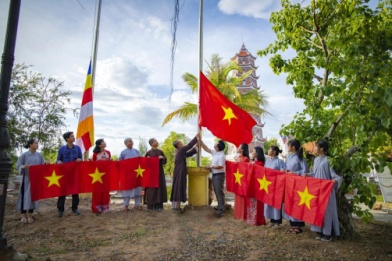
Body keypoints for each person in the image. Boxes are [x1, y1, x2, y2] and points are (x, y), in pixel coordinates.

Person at [308, 140, 342, 242]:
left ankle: (328, 233)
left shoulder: (329, 160)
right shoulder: (316, 160)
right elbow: (314, 173)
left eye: (317, 146)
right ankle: (319, 231)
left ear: (322, 149)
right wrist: (307, 174)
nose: (315, 148)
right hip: (317, 190)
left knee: (327, 211)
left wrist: (335, 180)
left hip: (326, 190)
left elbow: (335, 176)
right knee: (318, 210)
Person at [16, 138, 45, 224]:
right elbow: (18, 165)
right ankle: (23, 214)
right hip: (26, 178)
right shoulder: (24, 155)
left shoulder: (39, 156)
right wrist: (23, 167)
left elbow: (42, 167)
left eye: (37, 143)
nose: (37, 145)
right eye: (35, 143)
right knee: (24, 195)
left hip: (35, 179)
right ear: (30, 145)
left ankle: (30, 214)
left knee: (33, 196)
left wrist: (46, 164)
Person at [170, 133, 200, 212]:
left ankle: (176, 206)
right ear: (179, 145)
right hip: (180, 170)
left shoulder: (179, 151)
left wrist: (195, 147)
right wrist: (196, 137)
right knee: (179, 186)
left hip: (179, 170)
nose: (182, 143)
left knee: (179, 186)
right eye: (180, 142)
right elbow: (189, 145)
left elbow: (188, 154)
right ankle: (176, 206)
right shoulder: (181, 150)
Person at [285, 139, 309, 234]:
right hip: (290, 183)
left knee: (297, 203)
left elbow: (305, 170)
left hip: (298, 183)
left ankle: (298, 225)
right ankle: (292, 224)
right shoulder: (288, 157)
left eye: (289, 145)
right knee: (290, 202)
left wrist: (295, 173)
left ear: (293, 147)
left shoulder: (300, 158)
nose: (288, 147)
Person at [56, 131, 82, 217]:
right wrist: (59, 161)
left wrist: (80, 160)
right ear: (67, 139)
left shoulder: (77, 148)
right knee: (62, 191)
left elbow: (81, 159)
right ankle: (60, 209)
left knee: (75, 191)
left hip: (75, 173)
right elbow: (58, 160)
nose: (73, 137)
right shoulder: (62, 149)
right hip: (64, 173)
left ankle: (75, 208)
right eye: (72, 136)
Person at [201, 139, 226, 218]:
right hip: (215, 174)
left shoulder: (221, 155)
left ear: (218, 147)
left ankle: (221, 209)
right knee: (217, 191)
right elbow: (206, 149)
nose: (214, 144)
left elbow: (220, 166)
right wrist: (200, 141)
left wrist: (210, 166)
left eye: (216, 143)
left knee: (219, 191)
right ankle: (220, 206)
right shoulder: (216, 152)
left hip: (219, 175)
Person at [264, 146, 286, 227]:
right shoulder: (267, 161)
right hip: (268, 185)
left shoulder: (280, 162)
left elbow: (284, 171)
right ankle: (271, 220)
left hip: (277, 185)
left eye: (270, 149)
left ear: (274, 151)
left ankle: (278, 221)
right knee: (269, 202)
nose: (268, 150)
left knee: (276, 202)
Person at [119, 138, 142, 211]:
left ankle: (137, 205)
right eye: (129, 141)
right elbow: (120, 162)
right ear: (125, 144)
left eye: (131, 141)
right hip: (127, 173)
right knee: (127, 189)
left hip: (136, 173)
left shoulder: (136, 151)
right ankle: (126, 205)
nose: (131, 142)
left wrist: (139, 158)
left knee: (137, 188)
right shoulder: (123, 152)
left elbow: (141, 161)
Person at [145, 138, 167, 212]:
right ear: (151, 143)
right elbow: (144, 164)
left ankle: (159, 206)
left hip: (159, 173)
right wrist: (147, 159)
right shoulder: (148, 153)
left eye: (156, 141)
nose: (157, 142)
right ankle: (150, 206)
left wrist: (162, 158)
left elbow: (164, 161)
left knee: (159, 188)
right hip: (151, 174)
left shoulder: (160, 151)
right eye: (155, 141)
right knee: (151, 189)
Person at [247, 146, 266, 226]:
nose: (252, 152)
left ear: (257, 153)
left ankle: (258, 219)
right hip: (252, 184)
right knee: (251, 201)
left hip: (258, 186)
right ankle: (252, 218)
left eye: (254, 151)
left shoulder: (260, 164)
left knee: (258, 203)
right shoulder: (253, 162)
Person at [91, 139, 111, 214]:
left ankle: (105, 206)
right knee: (97, 191)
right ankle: (97, 207)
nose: (105, 143)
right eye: (103, 142)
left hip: (106, 174)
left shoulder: (108, 152)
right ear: (99, 145)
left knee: (106, 190)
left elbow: (109, 163)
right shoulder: (95, 154)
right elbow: (92, 165)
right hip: (97, 175)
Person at [234, 143, 250, 220]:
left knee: (243, 197)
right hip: (238, 179)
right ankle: (238, 213)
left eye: (239, 146)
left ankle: (244, 214)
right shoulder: (238, 158)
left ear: (242, 149)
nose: (238, 147)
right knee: (238, 196)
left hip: (243, 181)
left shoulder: (246, 159)